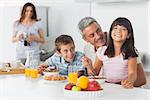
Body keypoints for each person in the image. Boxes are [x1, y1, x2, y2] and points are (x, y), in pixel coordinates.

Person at [78, 17, 146, 87]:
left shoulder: (129, 50)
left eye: (98, 30)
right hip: (105, 88)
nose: (98, 36)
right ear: (85, 39)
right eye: (92, 35)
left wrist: (123, 83)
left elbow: (141, 79)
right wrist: (89, 67)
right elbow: (94, 74)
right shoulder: (91, 50)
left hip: (124, 89)